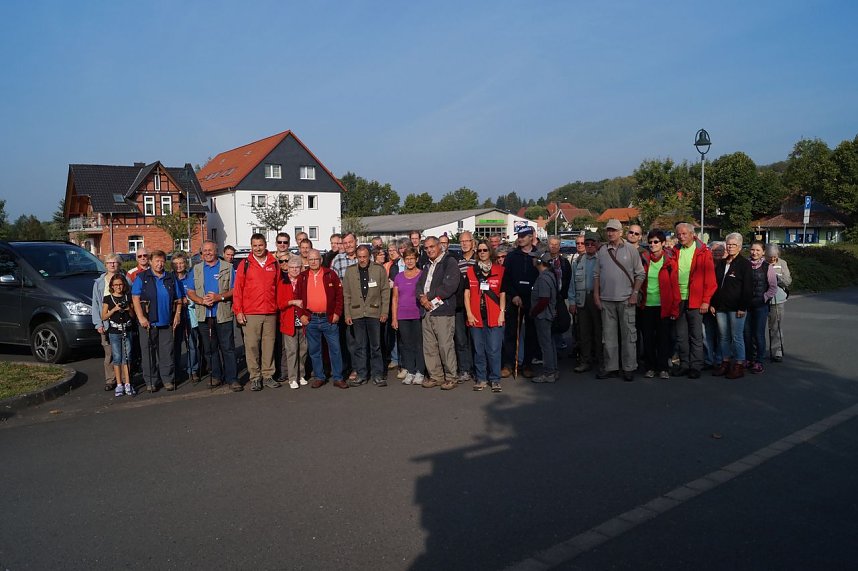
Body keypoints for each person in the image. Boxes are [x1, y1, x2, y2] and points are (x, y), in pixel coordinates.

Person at [593, 219, 645, 382]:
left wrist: (635, 293)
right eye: (608, 230)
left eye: (614, 230)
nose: (610, 233)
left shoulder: (630, 250)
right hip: (606, 299)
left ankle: (629, 367)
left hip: (626, 299)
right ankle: (611, 367)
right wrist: (596, 295)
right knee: (608, 337)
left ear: (621, 232)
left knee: (629, 336)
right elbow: (597, 275)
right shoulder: (602, 250)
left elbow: (640, 274)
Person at [186, 240, 241, 392]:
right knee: (210, 349)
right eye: (205, 251)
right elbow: (190, 291)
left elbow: (235, 289)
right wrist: (200, 300)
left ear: (216, 251)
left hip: (222, 313)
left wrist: (219, 297)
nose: (208, 253)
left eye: (211, 250)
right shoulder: (196, 269)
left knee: (228, 348)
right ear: (201, 253)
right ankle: (216, 376)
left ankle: (232, 378)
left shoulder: (228, 267)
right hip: (204, 315)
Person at [294, 249, 348, 389]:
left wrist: (337, 313)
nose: (313, 262)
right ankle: (319, 377)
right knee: (314, 350)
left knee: (335, 349)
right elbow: (297, 298)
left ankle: (338, 377)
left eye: (316, 259)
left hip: (328, 318)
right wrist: (302, 315)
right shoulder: (303, 277)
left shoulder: (330, 274)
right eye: (310, 259)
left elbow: (339, 296)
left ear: (321, 260)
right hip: (311, 319)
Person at [233, 233, 281, 391]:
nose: (258, 248)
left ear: (265, 244)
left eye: (260, 245)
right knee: (252, 346)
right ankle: (255, 377)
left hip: (270, 312)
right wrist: (238, 311)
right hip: (251, 312)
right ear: (251, 246)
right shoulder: (245, 264)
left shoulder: (274, 263)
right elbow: (237, 290)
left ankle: (268, 375)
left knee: (269, 345)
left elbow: (279, 287)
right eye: (255, 245)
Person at [131, 250, 183, 392]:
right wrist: (141, 317)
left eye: (161, 261)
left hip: (166, 322)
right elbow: (135, 298)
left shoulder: (171, 278)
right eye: (156, 261)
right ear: (151, 262)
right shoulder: (142, 277)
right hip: (148, 322)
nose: (159, 264)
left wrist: (177, 315)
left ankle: (167, 379)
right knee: (148, 352)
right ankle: (151, 381)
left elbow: (179, 300)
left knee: (167, 352)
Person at [671, 222, 717, 379]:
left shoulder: (703, 252)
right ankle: (684, 364)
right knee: (681, 335)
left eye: (684, 234)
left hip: (695, 300)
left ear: (692, 234)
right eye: (679, 234)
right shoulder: (675, 251)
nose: (681, 237)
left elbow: (710, 280)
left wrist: (706, 301)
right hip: (679, 299)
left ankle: (696, 365)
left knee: (696, 335)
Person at [416, 236, 460, 390]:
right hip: (426, 310)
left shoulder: (449, 262)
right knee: (430, 346)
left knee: (445, 345)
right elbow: (420, 285)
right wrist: (422, 298)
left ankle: (451, 377)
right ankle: (436, 376)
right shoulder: (427, 265)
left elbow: (450, 286)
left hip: (443, 310)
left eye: (432, 246)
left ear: (440, 246)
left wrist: (428, 296)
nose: (429, 250)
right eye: (426, 248)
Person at [343, 245, 391, 387]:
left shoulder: (378, 269)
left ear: (369, 256)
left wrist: (384, 312)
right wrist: (347, 314)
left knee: (376, 346)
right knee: (360, 346)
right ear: (356, 257)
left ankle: (378, 375)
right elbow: (346, 294)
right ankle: (362, 374)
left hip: (374, 313)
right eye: (360, 257)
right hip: (357, 313)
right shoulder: (350, 271)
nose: (362, 260)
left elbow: (385, 292)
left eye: (365, 257)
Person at [709, 233, 753, 379]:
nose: (730, 247)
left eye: (733, 244)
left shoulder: (745, 264)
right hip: (721, 307)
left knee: (737, 337)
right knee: (723, 337)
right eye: (728, 244)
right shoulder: (722, 263)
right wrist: (713, 303)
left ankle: (739, 364)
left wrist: (743, 306)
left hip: (736, 308)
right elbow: (715, 285)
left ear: (739, 247)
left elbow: (748, 288)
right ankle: (725, 362)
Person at [639, 230, 680, 379]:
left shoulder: (669, 263)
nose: (652, 245)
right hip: (647, 306)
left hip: (664, 307)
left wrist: (675, 309)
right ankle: (650, 367)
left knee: (664, 339)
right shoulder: (644, 260)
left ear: (663, 243)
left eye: (656, 242)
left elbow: (675, 287)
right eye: (650, 242)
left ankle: (663, 368)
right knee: (648, 339)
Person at [465, 240, 506, 392]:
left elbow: (502, 293)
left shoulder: (500, 270)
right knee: (478, 349)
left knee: (494, 349)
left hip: (494, 314)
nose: (482, 253)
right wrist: (469, 313)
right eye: (480, 250)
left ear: (490, 252)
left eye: (485, 250)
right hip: (476, 315)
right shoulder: (471, 271)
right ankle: (481, 378)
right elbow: (466, 293)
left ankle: (495, 379)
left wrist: (502, 313)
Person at [501, 227, 539, 378]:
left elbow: (542, 276)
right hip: (514, 299)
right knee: (511, 333)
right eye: (519, 236)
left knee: (531, 333)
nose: (521, 239)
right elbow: (506, 278)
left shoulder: (538, 255)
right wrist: (514, 295)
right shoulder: (511, 256)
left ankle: (528, 364)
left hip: (532, 299)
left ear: (531, 237)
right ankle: (508, 364)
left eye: (524, 236)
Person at [92, 253, 128, 392]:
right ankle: (110, 379)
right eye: (109, 263)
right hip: (107, 322)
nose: (112, 265)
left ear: (119, 265)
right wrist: (98, 323)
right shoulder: (99, 283)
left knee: (124, 352)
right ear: (105, 265)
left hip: (123, 322)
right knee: (109, 354)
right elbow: (95, 304)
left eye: (115, 262)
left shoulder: (125, 280)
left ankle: (125, 380)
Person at [568, 232, 602, 373]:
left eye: (591, 243)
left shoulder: (602, 259)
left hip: (598, 299)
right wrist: (572, 301)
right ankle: (585, 361)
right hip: (582, 299)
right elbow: (572, 284)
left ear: (597, 244)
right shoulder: (578, 261)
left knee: (600, 332)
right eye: (586, 243)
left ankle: (601, 361)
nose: (588, 246)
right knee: (584, 333)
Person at [392, 247, 425, 386]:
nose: (410, 261)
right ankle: (410, 370)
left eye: (412, 258)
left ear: (416, 259)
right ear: (403, 260)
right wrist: (394, 318)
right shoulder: (398, 277)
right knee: (406, 344)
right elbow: (395, 298)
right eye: (407, 259)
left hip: (417, 314)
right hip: (402, 315)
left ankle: (420, 371)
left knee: (419, 344)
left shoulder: (422, 275)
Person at [744, 241, 778, 374]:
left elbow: (773, 287)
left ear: (763, 252)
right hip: (746, 305)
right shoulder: (745, 265)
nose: (754, 252)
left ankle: (759, 361)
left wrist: (763, 298)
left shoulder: (767, 267)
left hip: (760, 306)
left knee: (758, 334)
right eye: (752, 250)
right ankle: (748, 358)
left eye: (758, 250)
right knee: (746, 333)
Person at [277, 254, 308, 389]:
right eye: (292, 267)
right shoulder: (283, 282)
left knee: (303, 350)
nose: (295, 270)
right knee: (291, 351)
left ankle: (301, 375)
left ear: (301, 268)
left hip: (303, 320)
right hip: (289, 320)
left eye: (297, 267)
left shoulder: (304, 281)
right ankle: (292, 378)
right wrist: (292, 302)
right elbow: (279, 304)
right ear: (287, 268)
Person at [101, 274, 135, 397]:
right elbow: (103, 316)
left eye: (120, 284)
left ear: (124, 285)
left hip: (127, 328)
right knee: (117, 357)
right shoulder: (108, 298)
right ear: (112, 286)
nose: (118, 287)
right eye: (115, 285)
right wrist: (114, 309)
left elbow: (133, 315)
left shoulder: (128, 296)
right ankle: (119, 384)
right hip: (114, 331)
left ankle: (127, 382)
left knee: (127, 356)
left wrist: (128, 309)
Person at [332, 233, 359, 379]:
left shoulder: (363, 256)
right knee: (348, 339)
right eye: (345, 243)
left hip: (361, 304)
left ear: (356, 242)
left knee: (360, 338)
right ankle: (350, 367)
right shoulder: (337, 260)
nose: (348, 245)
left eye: (350, 242)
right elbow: (333, 284)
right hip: (344, 305)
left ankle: (361, 366)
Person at [170, 252, 200, 383]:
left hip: (189, 315)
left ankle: (192, 370)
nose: (179, 266)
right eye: (176, 263)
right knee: (175, 346)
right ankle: (176, 370)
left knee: (192, 344)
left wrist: (189, 300)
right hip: (175, 316)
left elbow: (196, 293)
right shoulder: (170, 278)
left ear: (186, 263)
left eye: (181, 263)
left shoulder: (191, 276)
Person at [530, 252, 558, 383]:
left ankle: (549, 372)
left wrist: (534, 312)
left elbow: (544, 300)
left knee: (545, 345)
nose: (533, 260)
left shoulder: (543, 278)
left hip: (543, 315)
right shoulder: (549, 276)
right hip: (547, 314)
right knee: (550, 343)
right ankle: (553, 369)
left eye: (534, 258)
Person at [453, 231, 476, 382]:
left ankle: (476, 368)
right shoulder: (455, 261)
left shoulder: (479, 259)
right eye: (462, 241)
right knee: (461, 339)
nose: (464, 244)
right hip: (459, 306)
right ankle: (464, 369)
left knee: (475, 340)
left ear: (473, 242)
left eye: (467, 241)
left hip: (475, 306)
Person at [765, 244, 792, 362]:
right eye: (770, 257)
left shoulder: (782, 263)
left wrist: (776, 278)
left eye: (775, 257)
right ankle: (757, 352)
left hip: (777, 299)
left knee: (776, 326)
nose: (772, 259)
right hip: (762, 299)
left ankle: (777, 351)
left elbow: (788, 281)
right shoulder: (761, 263)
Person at [547, 235, 572, 352]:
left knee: (561, 321)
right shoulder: (543, 261)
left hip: (560, 296)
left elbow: (568, 278)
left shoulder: (564, 262)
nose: (553, 246)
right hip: (546, 297)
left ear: (559, 246)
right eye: (551, 244)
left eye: (556, 244)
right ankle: (549, 348)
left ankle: (558, 344)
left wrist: (564, 294)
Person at [703, 241, 726, 368]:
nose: (717, 253)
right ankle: (708, 359)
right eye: (714, 250)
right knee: (707, 334)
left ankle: (719, 358)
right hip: (707, 305)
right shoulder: (707, 265)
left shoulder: (726, 267)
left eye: (720, 251)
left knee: (722, 334)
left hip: (722, 306)